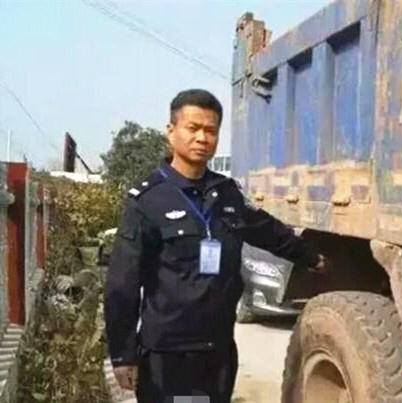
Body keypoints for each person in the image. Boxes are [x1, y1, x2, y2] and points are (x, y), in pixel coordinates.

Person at [104, 89, 326, 403]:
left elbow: (267, 230)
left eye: (210, 130)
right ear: (171, 132)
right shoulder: (148, 200)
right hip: (169, 355)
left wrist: (313, 257)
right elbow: (122, 284)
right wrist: (122, 354)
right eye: (193, 128)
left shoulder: (226, 193)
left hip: (218, 351)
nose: (202, 138)